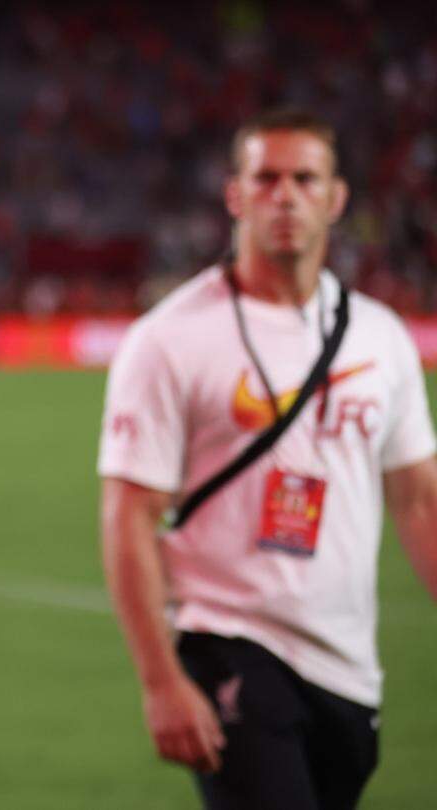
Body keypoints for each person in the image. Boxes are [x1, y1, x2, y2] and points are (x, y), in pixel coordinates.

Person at [98, 107, 437, 809]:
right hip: (231, 643)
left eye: (306, 179)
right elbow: (129, 515)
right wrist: (161, 681)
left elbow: (420, 500)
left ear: (337, 198)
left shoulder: (382, 339)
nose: (285, 195)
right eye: (267, 178)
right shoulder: (167, 341)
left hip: (349, 671)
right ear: (235, 195)